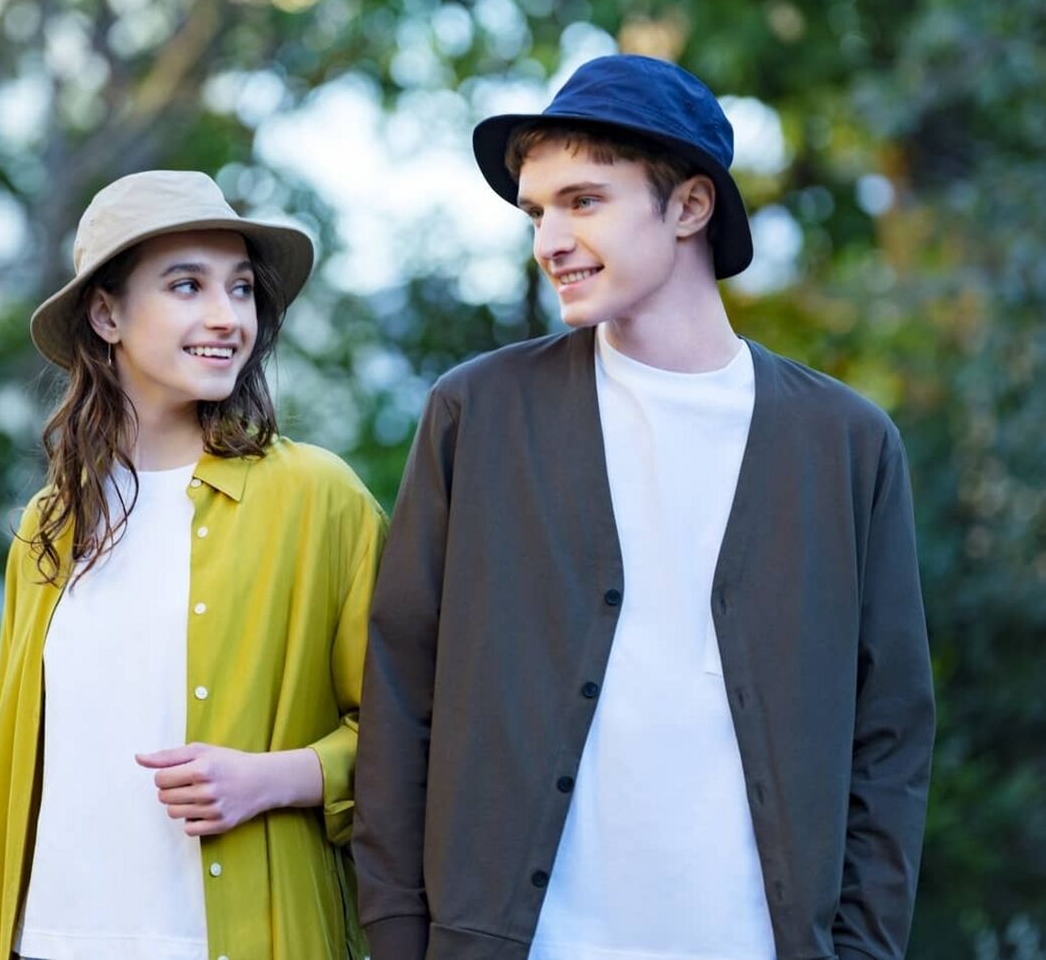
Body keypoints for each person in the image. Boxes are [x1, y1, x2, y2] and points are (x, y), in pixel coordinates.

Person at [353, 54, 935, 960]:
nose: (548, 238)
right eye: (536, 210)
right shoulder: (479, 413)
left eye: (582, 201)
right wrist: (398, 938)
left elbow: (889, 738)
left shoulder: (848, 444)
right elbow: (400, 695)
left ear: (690, 207)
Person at [0, 170, 385, 960]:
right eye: (187, 285)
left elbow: (412, 731)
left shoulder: (317, 498)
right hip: (47, 943)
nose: (227, 317)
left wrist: (277, 776)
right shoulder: (48, 526)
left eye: (243, 288)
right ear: (106, 311)